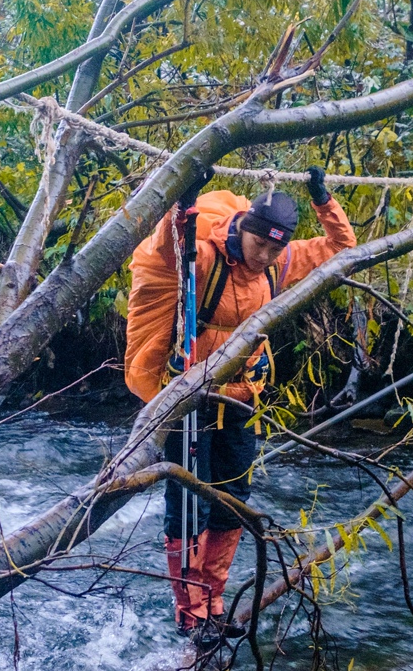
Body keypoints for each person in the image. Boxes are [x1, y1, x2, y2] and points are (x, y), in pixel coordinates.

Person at [125, 167, 356, 645]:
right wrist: (181, 202)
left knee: (231, 505)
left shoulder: (276, 263)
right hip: (189, 401)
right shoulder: (201, 255)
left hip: (241, 401)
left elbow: (341, 249)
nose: (267, 257)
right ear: (245, 229)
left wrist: (322, 200)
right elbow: (165, 251)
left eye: (276, 249)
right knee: (189, 510)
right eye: (261, 246)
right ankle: (190, 615)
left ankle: (214, 602)